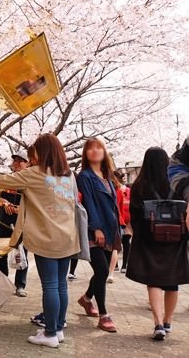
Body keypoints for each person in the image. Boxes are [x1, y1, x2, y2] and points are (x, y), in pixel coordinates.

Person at [0, 134, 79, 348]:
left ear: (43, 151)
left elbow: (3, 180)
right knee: (60, 285)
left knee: (49, 285)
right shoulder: (68, 175)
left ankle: (49, 334)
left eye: (34, 153)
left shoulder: (34, 173)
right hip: (67, 236)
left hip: (46, 237)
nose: (32, 157)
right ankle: (57, 329)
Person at [126, 147, 189, 340]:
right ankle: (168, 321)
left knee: (154, 281)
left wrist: (139, 233)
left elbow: (134, 215)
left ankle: (158, 323)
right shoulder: (176, 183)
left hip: (149, 239)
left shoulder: (139, 186)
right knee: (172, 283)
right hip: (175, 239)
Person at [76, 138, 121, 333]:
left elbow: (112, 206)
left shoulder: (108, 176)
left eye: (98, 147)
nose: (94, 151)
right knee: (102, 271)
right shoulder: (84, 176)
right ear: (86, 154)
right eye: (90, 148)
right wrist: (96, 228)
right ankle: (104, 315)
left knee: (101, 271)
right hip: (94, 230)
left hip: (110, 230)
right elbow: (89, 204)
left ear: (104, 151)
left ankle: (86, 299)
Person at [0, 150, 30, 297]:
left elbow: (34, 202)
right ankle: (2, 283)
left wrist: (20, 210)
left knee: (23, 252)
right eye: (14, 161)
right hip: (3, 222)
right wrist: (2, 201)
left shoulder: (30, 180)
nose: (16, 163)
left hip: (22, 223)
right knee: (0, 253)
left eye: (19, 161)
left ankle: (20, 285)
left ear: (27, 164)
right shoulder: (6, 178)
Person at [115, 172, 132, 273]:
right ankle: (123, 265)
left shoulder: (115, 190)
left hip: (120, 219)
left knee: (117, 243)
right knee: (126, 243)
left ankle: (117, 264)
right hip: (127, 219)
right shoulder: (128, 190)